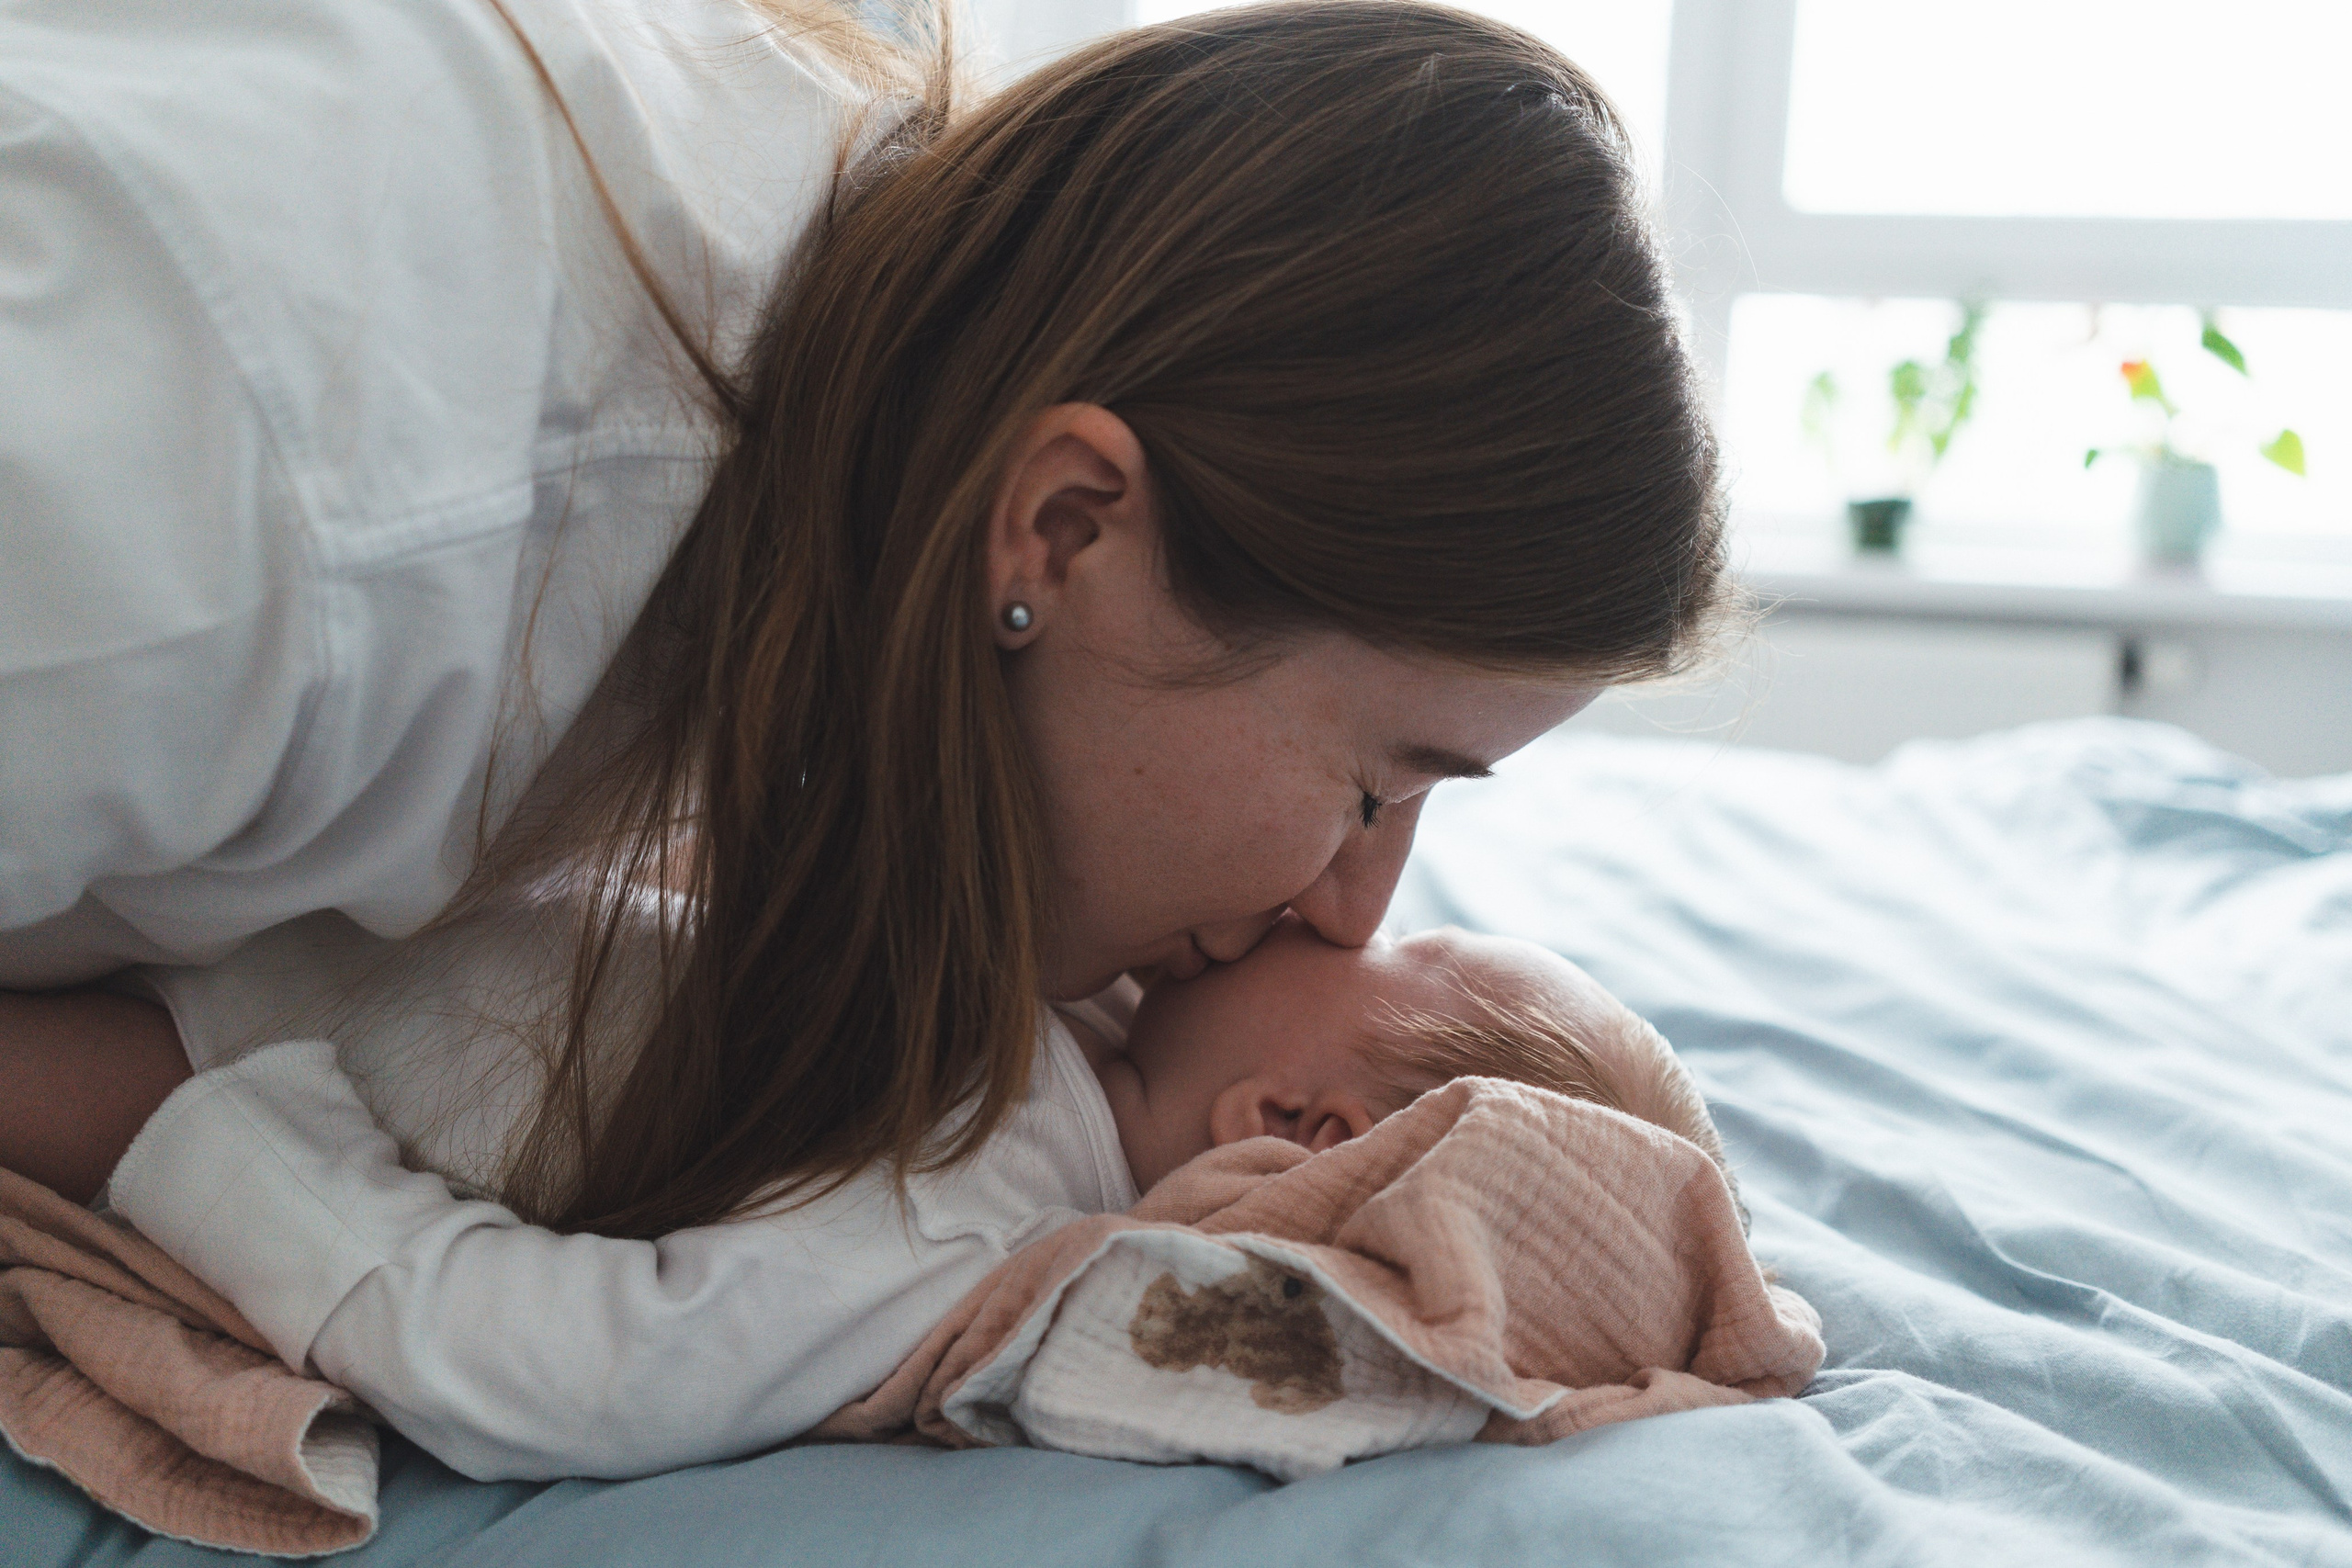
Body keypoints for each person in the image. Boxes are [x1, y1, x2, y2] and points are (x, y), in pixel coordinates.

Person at [0, 0, 1732, 1478]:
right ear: (1061, 532)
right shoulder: (275, 520)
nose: (1350, 905)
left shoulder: (834, 548)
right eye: (1374, 783)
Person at [1079, 915, 1738, 1206]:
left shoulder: (1021, 1159)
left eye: (1398, 944)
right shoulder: (1119, 996)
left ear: (1299, 1130)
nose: (1352, 918)